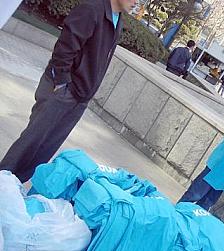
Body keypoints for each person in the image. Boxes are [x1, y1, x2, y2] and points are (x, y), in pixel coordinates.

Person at [0, 0, 136, 183]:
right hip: (63, 90)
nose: (137, 2)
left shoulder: (117, 19)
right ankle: (3, 179)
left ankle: (12, 188)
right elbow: (65, 47)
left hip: (80, 97)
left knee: (44, 151)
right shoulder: (92, 8)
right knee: (29, 144)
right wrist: (61, 82)